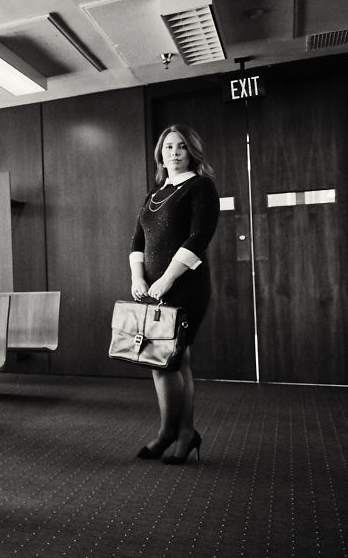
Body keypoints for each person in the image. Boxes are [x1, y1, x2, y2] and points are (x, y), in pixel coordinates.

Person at [129, 124, 220, 465]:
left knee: (165, 361)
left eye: (181, 146)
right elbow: (137, 241)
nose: (175, 152)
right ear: (160, 154)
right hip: (153, 289)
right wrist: (137, 277)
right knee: (175, 361)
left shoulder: (201, 187)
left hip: (185, 287)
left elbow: (199, 237)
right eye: (168, 147)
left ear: (192, 152)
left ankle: (169, 432)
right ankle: (184, 433)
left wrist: (167, 279)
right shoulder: (153, 195)